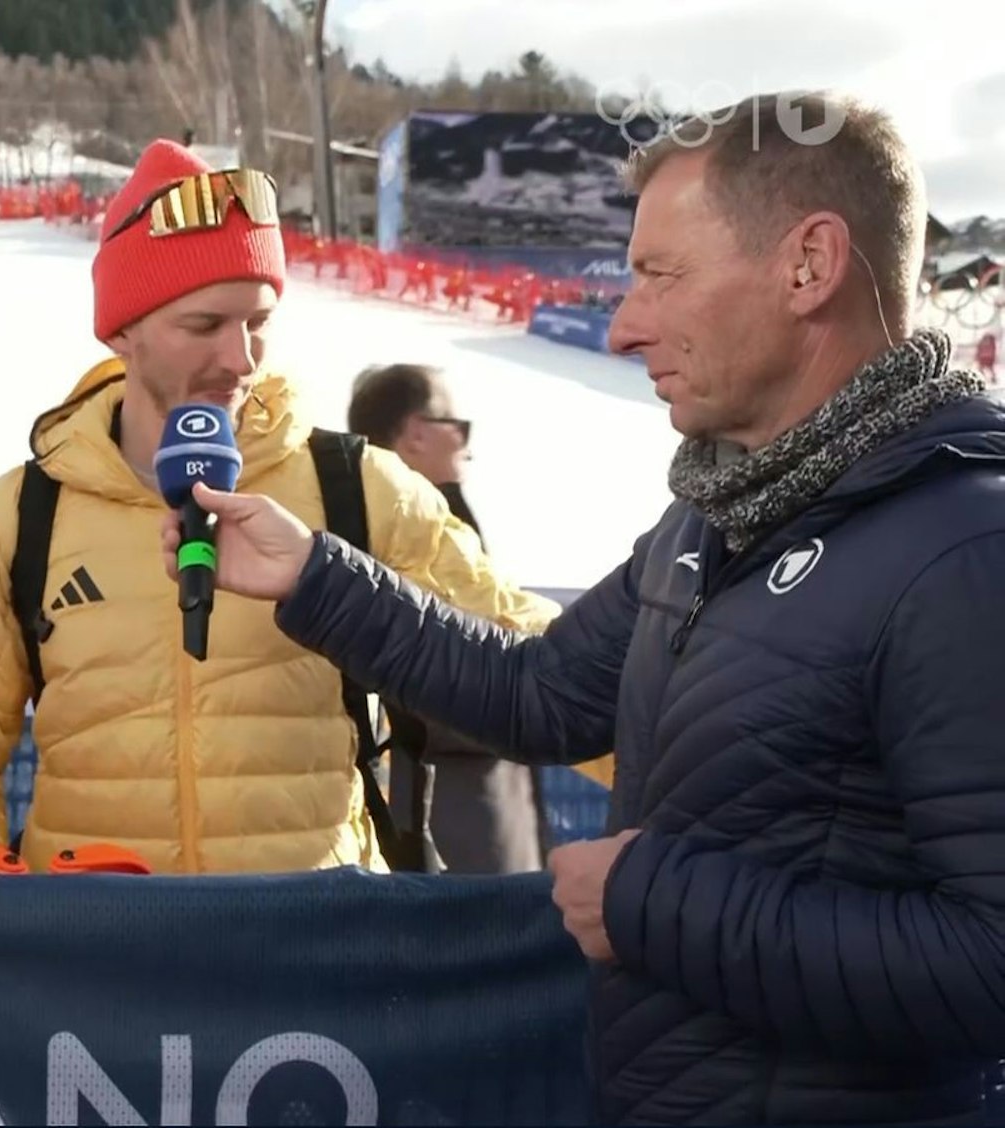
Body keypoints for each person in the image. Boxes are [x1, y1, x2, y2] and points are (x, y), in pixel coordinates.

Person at [171, 93, 1005, 1124]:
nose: (621, 325)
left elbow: (989, 965)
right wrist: (317, 577)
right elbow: (538, 693)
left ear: (809, 266)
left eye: (659, 274)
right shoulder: (720, 514)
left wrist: (653, 905)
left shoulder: (965, 551)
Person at [0, 139, 557, 876]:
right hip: (93, 960)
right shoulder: (23, 513)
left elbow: (537, 667)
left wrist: (688, 775)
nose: (241, 358)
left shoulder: (358, 486)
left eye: (258, 321)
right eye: (205, 326)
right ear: (122, 332)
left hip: (313, 960)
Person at [346, 362, 556, 873]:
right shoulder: (402, 534)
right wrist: (528, 697)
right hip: (452, 809)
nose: (467, 444)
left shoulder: (386, 516)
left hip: (461, 796)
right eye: (457, 427)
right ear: (416, 433)